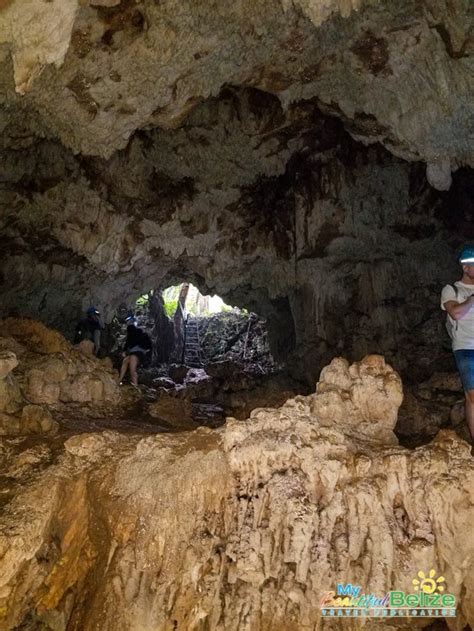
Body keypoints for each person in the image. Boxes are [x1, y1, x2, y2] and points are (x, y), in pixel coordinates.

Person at [441, 245, 474, 445]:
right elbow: (455, 313)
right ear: (465, 267)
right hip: (465, 348)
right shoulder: (451, 289)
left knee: (471, 398)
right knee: (473, 395)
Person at [119, 317, 152, 387]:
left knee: (132, 370)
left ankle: (136, 387)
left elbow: (128, 342)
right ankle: (119, 380)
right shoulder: (139, 332)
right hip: (138, 353)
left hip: (137, 353)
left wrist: (124, 351)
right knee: (125, 361)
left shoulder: (133, 332)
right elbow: (149, 345)